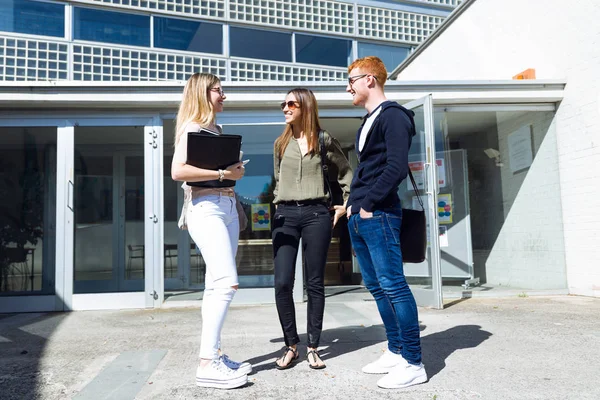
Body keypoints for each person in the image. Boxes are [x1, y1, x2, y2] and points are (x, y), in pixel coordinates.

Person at [344, 56, 427, 389]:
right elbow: (367, 169)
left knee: (394, 286)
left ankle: (414, 362)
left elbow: (395, 167)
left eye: (351, 80)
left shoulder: (394, 116)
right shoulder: (368, 120)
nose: (348, 87)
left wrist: (366, 204)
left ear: (371, 80)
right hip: (362, 216)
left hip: (379, 215)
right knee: (377, 287)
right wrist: (351, 205)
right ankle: (395, 350)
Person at [171, 72, 251, 390]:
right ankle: (207, 365)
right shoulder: (192, 127)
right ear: (204, 93)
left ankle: (214, 353)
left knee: (212, 286)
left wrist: (234, 177)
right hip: (206, 209)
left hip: (227, 207)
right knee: (226, 283)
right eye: (219, 90)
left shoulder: (214, 129)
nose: (224, 96)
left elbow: (221, 176)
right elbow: (178, 171)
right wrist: (222, 172)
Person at [271, 88, 353, 370]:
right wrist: (277, 204)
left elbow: (346, 172)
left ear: (305, 107)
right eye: (283, 103)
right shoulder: (280, 143)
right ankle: (291, 344)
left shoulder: (323, 139)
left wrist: (346, 204)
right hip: (285, 215)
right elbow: (278, 179)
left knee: (315, 282)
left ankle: (313, 347)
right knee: (283, 282)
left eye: (290, 103)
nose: (285, 108)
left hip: (317, 213)